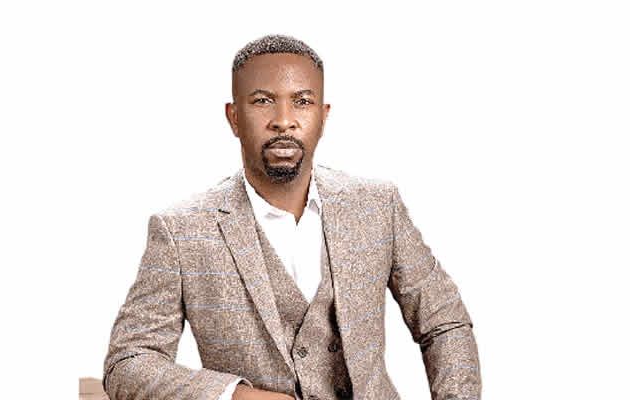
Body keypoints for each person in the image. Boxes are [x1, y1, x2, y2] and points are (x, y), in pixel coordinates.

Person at [102, 34, 481, 400]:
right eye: (263, 101)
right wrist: (235, 396)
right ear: (234, 118)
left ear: (323, 116)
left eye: (302, 101)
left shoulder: (378, 206)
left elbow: (444, 321)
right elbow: (128, 362)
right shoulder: (181, 231)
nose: (284, 120)